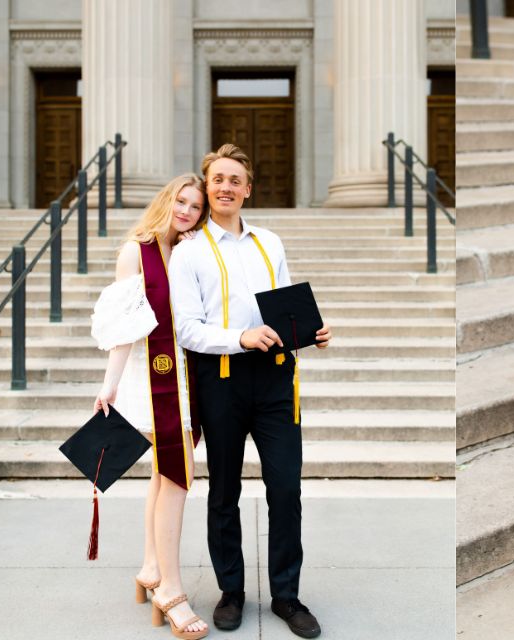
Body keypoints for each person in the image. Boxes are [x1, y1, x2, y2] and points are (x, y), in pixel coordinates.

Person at [168, 143, 332, 639]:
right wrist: (237, 338)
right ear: (207, 186)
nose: (225, 187)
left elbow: (283, 309)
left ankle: (286, 595)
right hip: (221, 382)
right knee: (225, 491)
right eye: (218, 179)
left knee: (286, 489)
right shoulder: (190, 251)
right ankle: (232, 591)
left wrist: (310, 332)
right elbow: (187, 329)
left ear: (247, 189)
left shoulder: (270, 243)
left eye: (235, 180)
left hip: (277, 378)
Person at [91, 173, 210, 639]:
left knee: (164, 476)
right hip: (154, 378)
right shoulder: (135, 251)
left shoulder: (191, 250)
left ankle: (149, 567)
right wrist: (110, 386)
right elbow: (123, 326)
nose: (186, 211)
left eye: (195, 207)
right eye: (181, 202)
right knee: (179, 477)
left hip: (188, 377)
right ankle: (171, 590)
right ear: (167, 200)